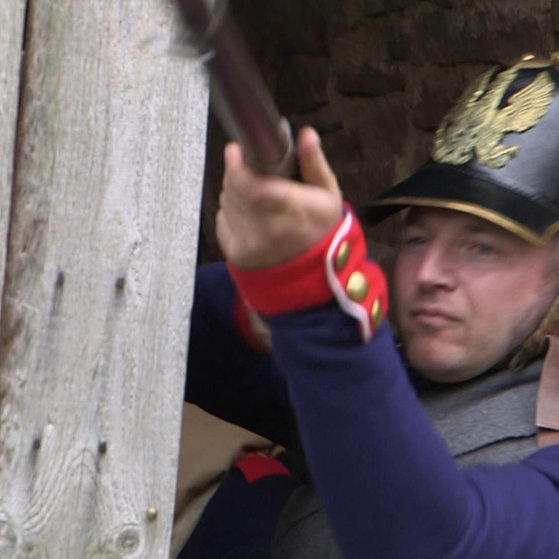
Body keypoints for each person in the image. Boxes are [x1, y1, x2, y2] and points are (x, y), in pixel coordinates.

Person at [181, 53, 559, 558]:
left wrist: (317, 304)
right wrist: (263, 300)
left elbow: (437, 543)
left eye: (481, 247)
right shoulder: (400, 370)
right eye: (418, 239)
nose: (428, 273)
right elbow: (172, 340)